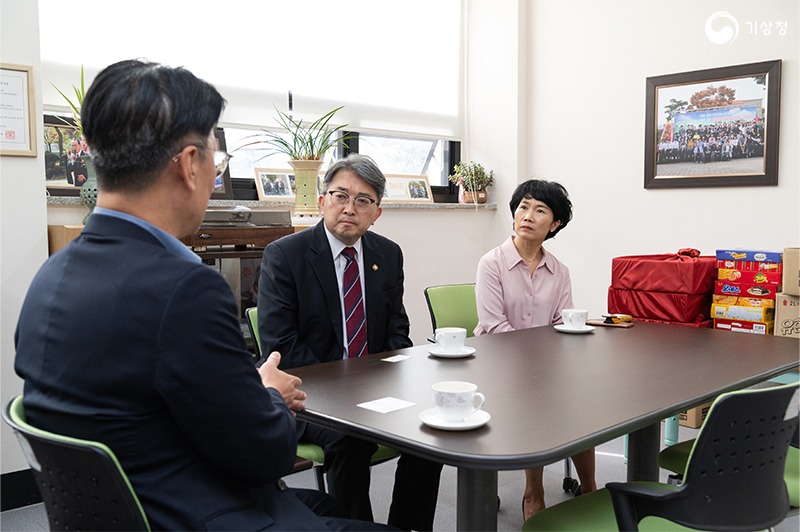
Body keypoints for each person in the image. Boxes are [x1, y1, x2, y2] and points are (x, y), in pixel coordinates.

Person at [14, 59, 388, 531]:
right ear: (191, 164)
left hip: (131, 507)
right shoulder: (186, 289)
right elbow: (265, 456)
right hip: (197, 513)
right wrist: (269, 394)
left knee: (330, 510)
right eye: (217, 159)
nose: (215, 175)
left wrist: (246, 390)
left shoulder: (51, 276)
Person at [258, 154, 443, 531]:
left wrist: (387, 377)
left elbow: (396, 331)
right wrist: (347, 389)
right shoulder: (285, 256)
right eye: (340, 196)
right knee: (349, 439)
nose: (350, 208)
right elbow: (282, 345)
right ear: (322, 200)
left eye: (363, 200)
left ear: (376, 213)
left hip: (375, 389)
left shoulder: (387, 254)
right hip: (310, 395)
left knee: (432, 430)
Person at [473, 179, 597, 521]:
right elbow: (495, 327)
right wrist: (541, 365)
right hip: (496, 365)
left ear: (554, 224)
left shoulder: (559, 271)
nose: (527, 215)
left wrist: (553, 361)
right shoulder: (491, 264)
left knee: (586, 405)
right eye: (523, 207)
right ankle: (534, 491)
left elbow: (563, 322)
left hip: (544, 366)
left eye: (540, 210)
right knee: (539, 401)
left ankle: (591, 488)